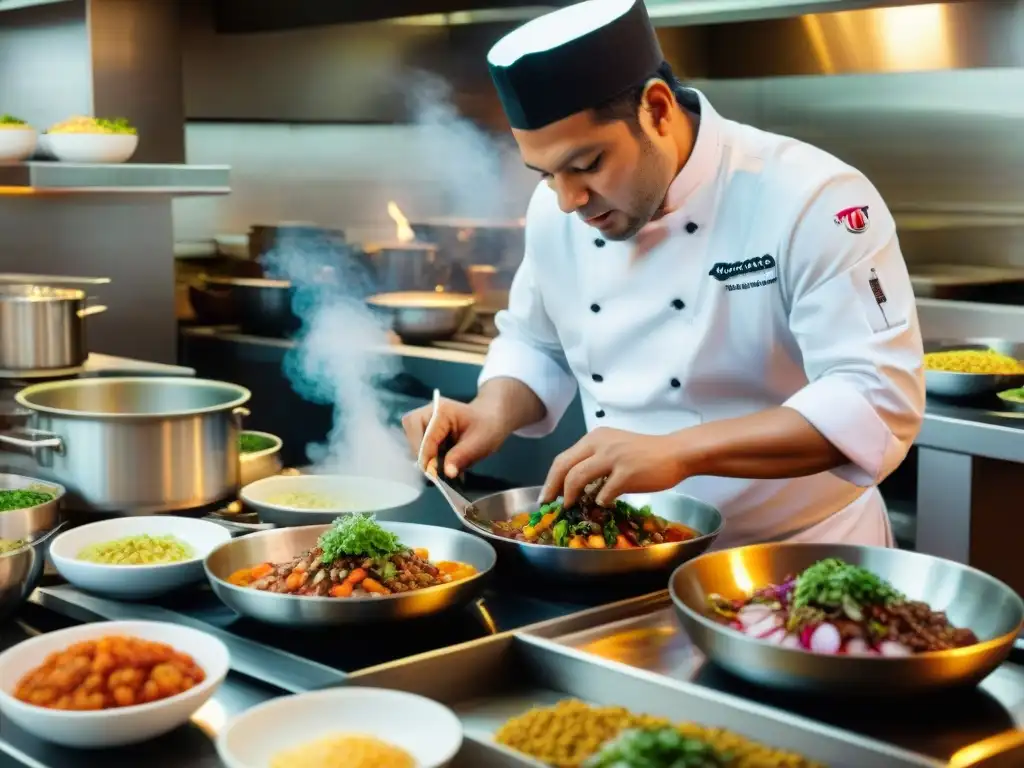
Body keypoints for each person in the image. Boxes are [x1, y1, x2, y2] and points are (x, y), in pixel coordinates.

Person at [403, 0, 925, 547]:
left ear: (656, 109)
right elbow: (540, 345)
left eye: (587, 166)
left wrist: (678, 449)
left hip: (795, 554)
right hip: (627, 552)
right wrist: (491, 411)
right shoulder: (554, 210)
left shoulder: (812, 198)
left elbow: (875, 400)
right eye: (546, 174)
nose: (568, 200)